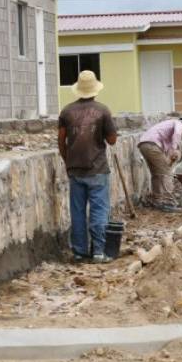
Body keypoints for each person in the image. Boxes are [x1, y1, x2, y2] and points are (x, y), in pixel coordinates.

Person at [58, 70, 118, 263]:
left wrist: (68, 161)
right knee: (99, 210)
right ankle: (99, 251)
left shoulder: (66, 112)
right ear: (95, 89)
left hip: (75, 169)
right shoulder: (103, 110)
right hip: (97, 169)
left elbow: (61, 140)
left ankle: (79, 251)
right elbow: (112, 140)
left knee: (77, 211)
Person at [138, 117, 182, 212]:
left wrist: (171, 158)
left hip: (144, 144)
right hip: (152, 145)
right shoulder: (179, 124)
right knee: (167, 173)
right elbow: (177, 134)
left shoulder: (168, 127)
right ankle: (168, 202)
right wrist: (175, 149)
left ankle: (157, 200)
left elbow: (165, 154)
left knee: (156, 174)